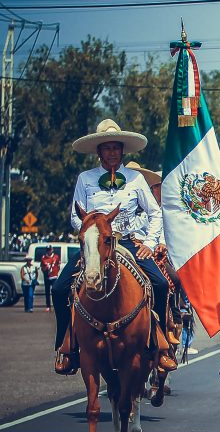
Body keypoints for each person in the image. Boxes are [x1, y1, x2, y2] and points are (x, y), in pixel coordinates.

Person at [52, 120, 176, 376]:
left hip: (127, 241)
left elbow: (155, 212)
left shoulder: (136, 179)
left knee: (161, 285)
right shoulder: (84, 179)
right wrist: (90, 227)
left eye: (116, 148)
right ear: (98, 151)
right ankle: (66, 348)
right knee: (59, 287)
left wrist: (150, 244)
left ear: (122, 151)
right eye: (106, 148)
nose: (111, 152)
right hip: (95, 244)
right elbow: (75, 216)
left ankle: (161, 346)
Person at [39, 245, 60, 311]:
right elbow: (42, 267)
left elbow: (58, 265)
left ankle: (56, 305)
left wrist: (55, 272)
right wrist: (45, 270)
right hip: (47, 277)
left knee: (54, 291)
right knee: (47, 292)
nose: (49, 251)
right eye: (47, 250)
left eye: (50, 250)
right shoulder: (43, 258)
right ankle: (48, 306)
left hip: (54, 276)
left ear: (52, 250)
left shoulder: (56, 257)